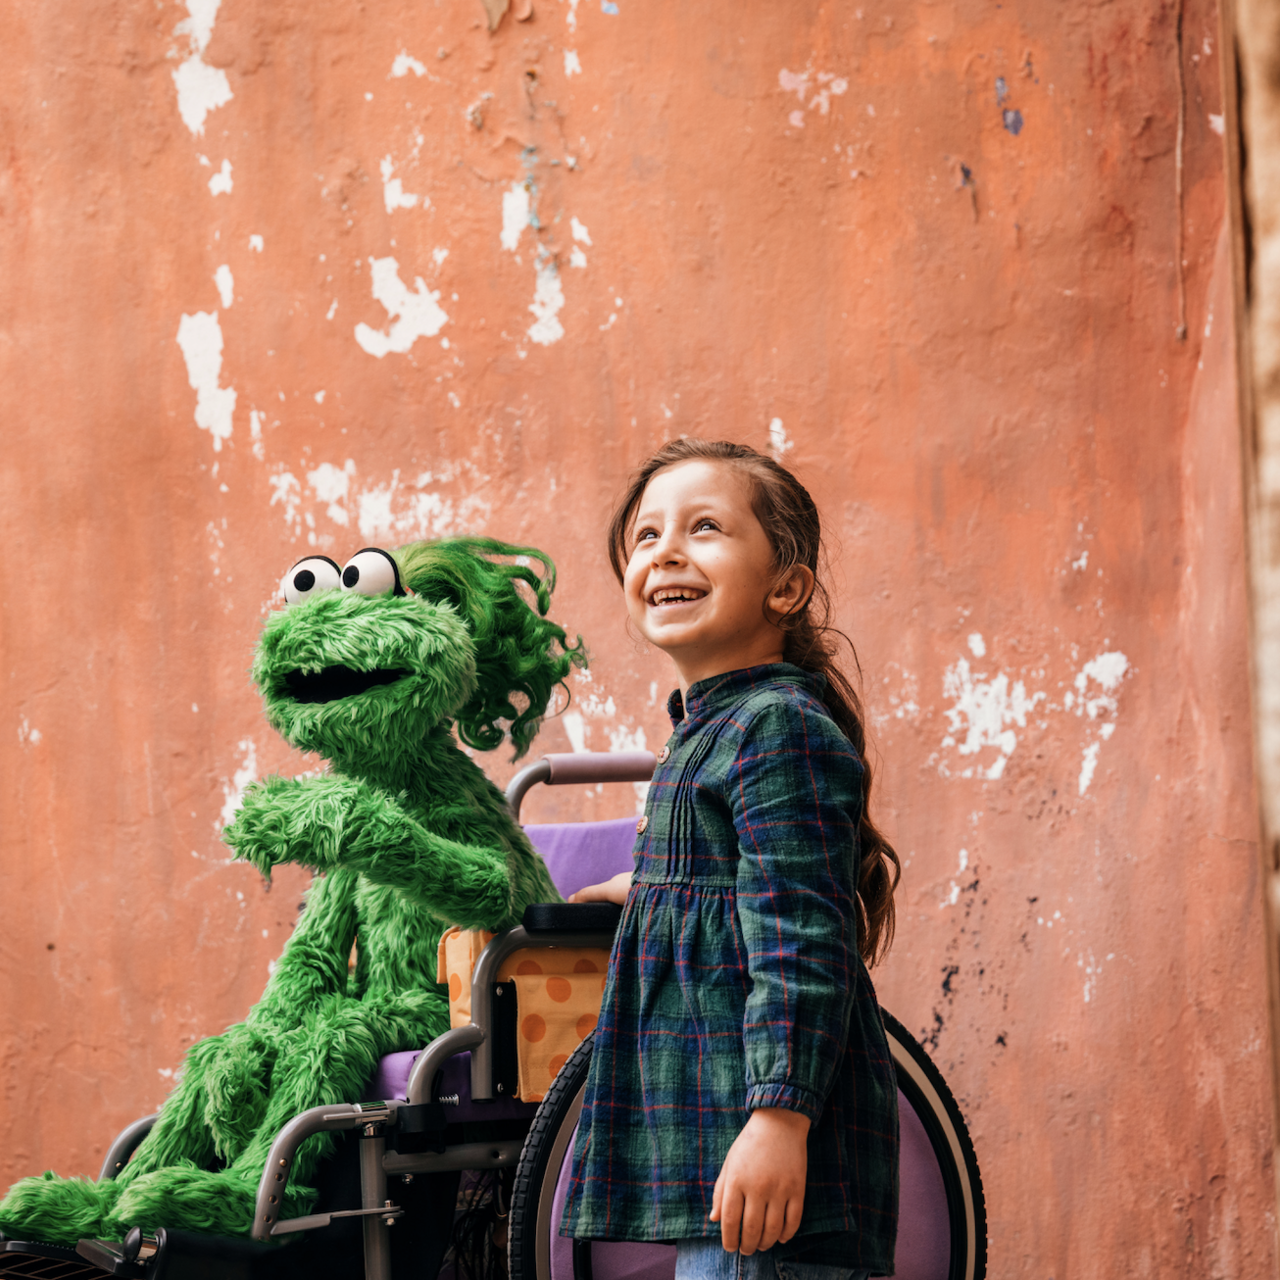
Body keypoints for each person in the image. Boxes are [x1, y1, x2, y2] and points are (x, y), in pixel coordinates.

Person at [561, 439, 900, 1280]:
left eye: (704, 528)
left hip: (764, 1156)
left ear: (784, 586)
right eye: (645, 537)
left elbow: (800, 938)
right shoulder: (711, 729)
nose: (666, 551)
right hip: (720, 1156)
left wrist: (780, 1117)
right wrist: (646, 892)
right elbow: (736, 884)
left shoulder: (775, 727)